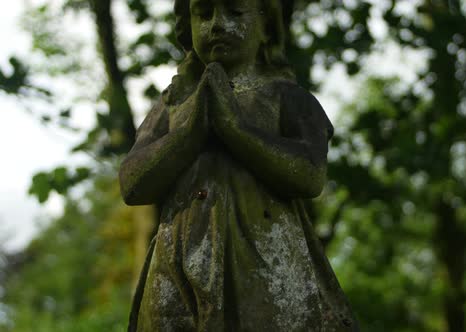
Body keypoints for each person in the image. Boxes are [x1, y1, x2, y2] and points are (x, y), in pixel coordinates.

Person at [119, 0, 358, 330]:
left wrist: (234, 129)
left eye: (234, 12)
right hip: (176, 269)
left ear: (267, 27)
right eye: (203, 14)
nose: (216, 24)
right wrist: (190, 132)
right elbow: (133, 184)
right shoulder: (174, 105)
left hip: (264, 264)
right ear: (187, 28)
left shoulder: (285, 97)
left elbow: (309, 175)